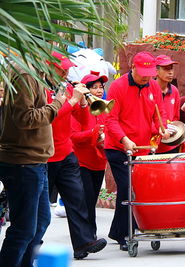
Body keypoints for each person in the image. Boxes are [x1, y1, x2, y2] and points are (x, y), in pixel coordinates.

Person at [0, 53, 66, 267]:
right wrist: (57, 104)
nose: (64, 74)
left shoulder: (34, 74)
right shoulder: (25, 74)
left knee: (39, 223)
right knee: (23, 229)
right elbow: (25, 119)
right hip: (23, 161)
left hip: (35, 161)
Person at [105, 51, 170, 251]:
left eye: (149, 73)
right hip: (118, 147)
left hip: (141, 149)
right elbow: (110, 119)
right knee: (127, 187)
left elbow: (160, 113)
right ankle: (126, 233)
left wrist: (162, 127)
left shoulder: (153, 87)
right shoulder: (118, 86)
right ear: (132, 67)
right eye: (142, 72)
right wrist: (124, 139)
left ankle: (118, 231)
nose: (146, 76)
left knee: (135, 189)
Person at [46, 52, 107, 259]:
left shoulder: (67, 87)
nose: (65, 71)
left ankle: (83, 242)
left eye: (66, 68)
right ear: (49, 68)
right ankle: (32, 242)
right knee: (39, 206)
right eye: (60, 68)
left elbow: (80, 117)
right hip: (46, 154)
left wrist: (82, 103)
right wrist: (73, 100)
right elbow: (50, 117)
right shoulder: (41, 90)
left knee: (77, 197)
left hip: (66, 152)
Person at [71, 72, 109, 238]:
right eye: (95, 87)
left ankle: (89, 234)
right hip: (82, 162)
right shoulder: (79, 109)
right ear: (86, 90)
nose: (99, 91)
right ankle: (88, 235)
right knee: (86, 201)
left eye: (101, 87)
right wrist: (92, 133)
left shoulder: (103, 108)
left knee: (92, 200)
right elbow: (73, 136)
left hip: (99, 161)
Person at [155, 55, 181, 154]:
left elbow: (175, 116)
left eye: (171, 69)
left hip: (170, 144)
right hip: (152, 145)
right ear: (156, 71)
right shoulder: (149, 90)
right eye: (166, 69)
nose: (170, 72)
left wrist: (172, 127)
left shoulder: (174, 91)